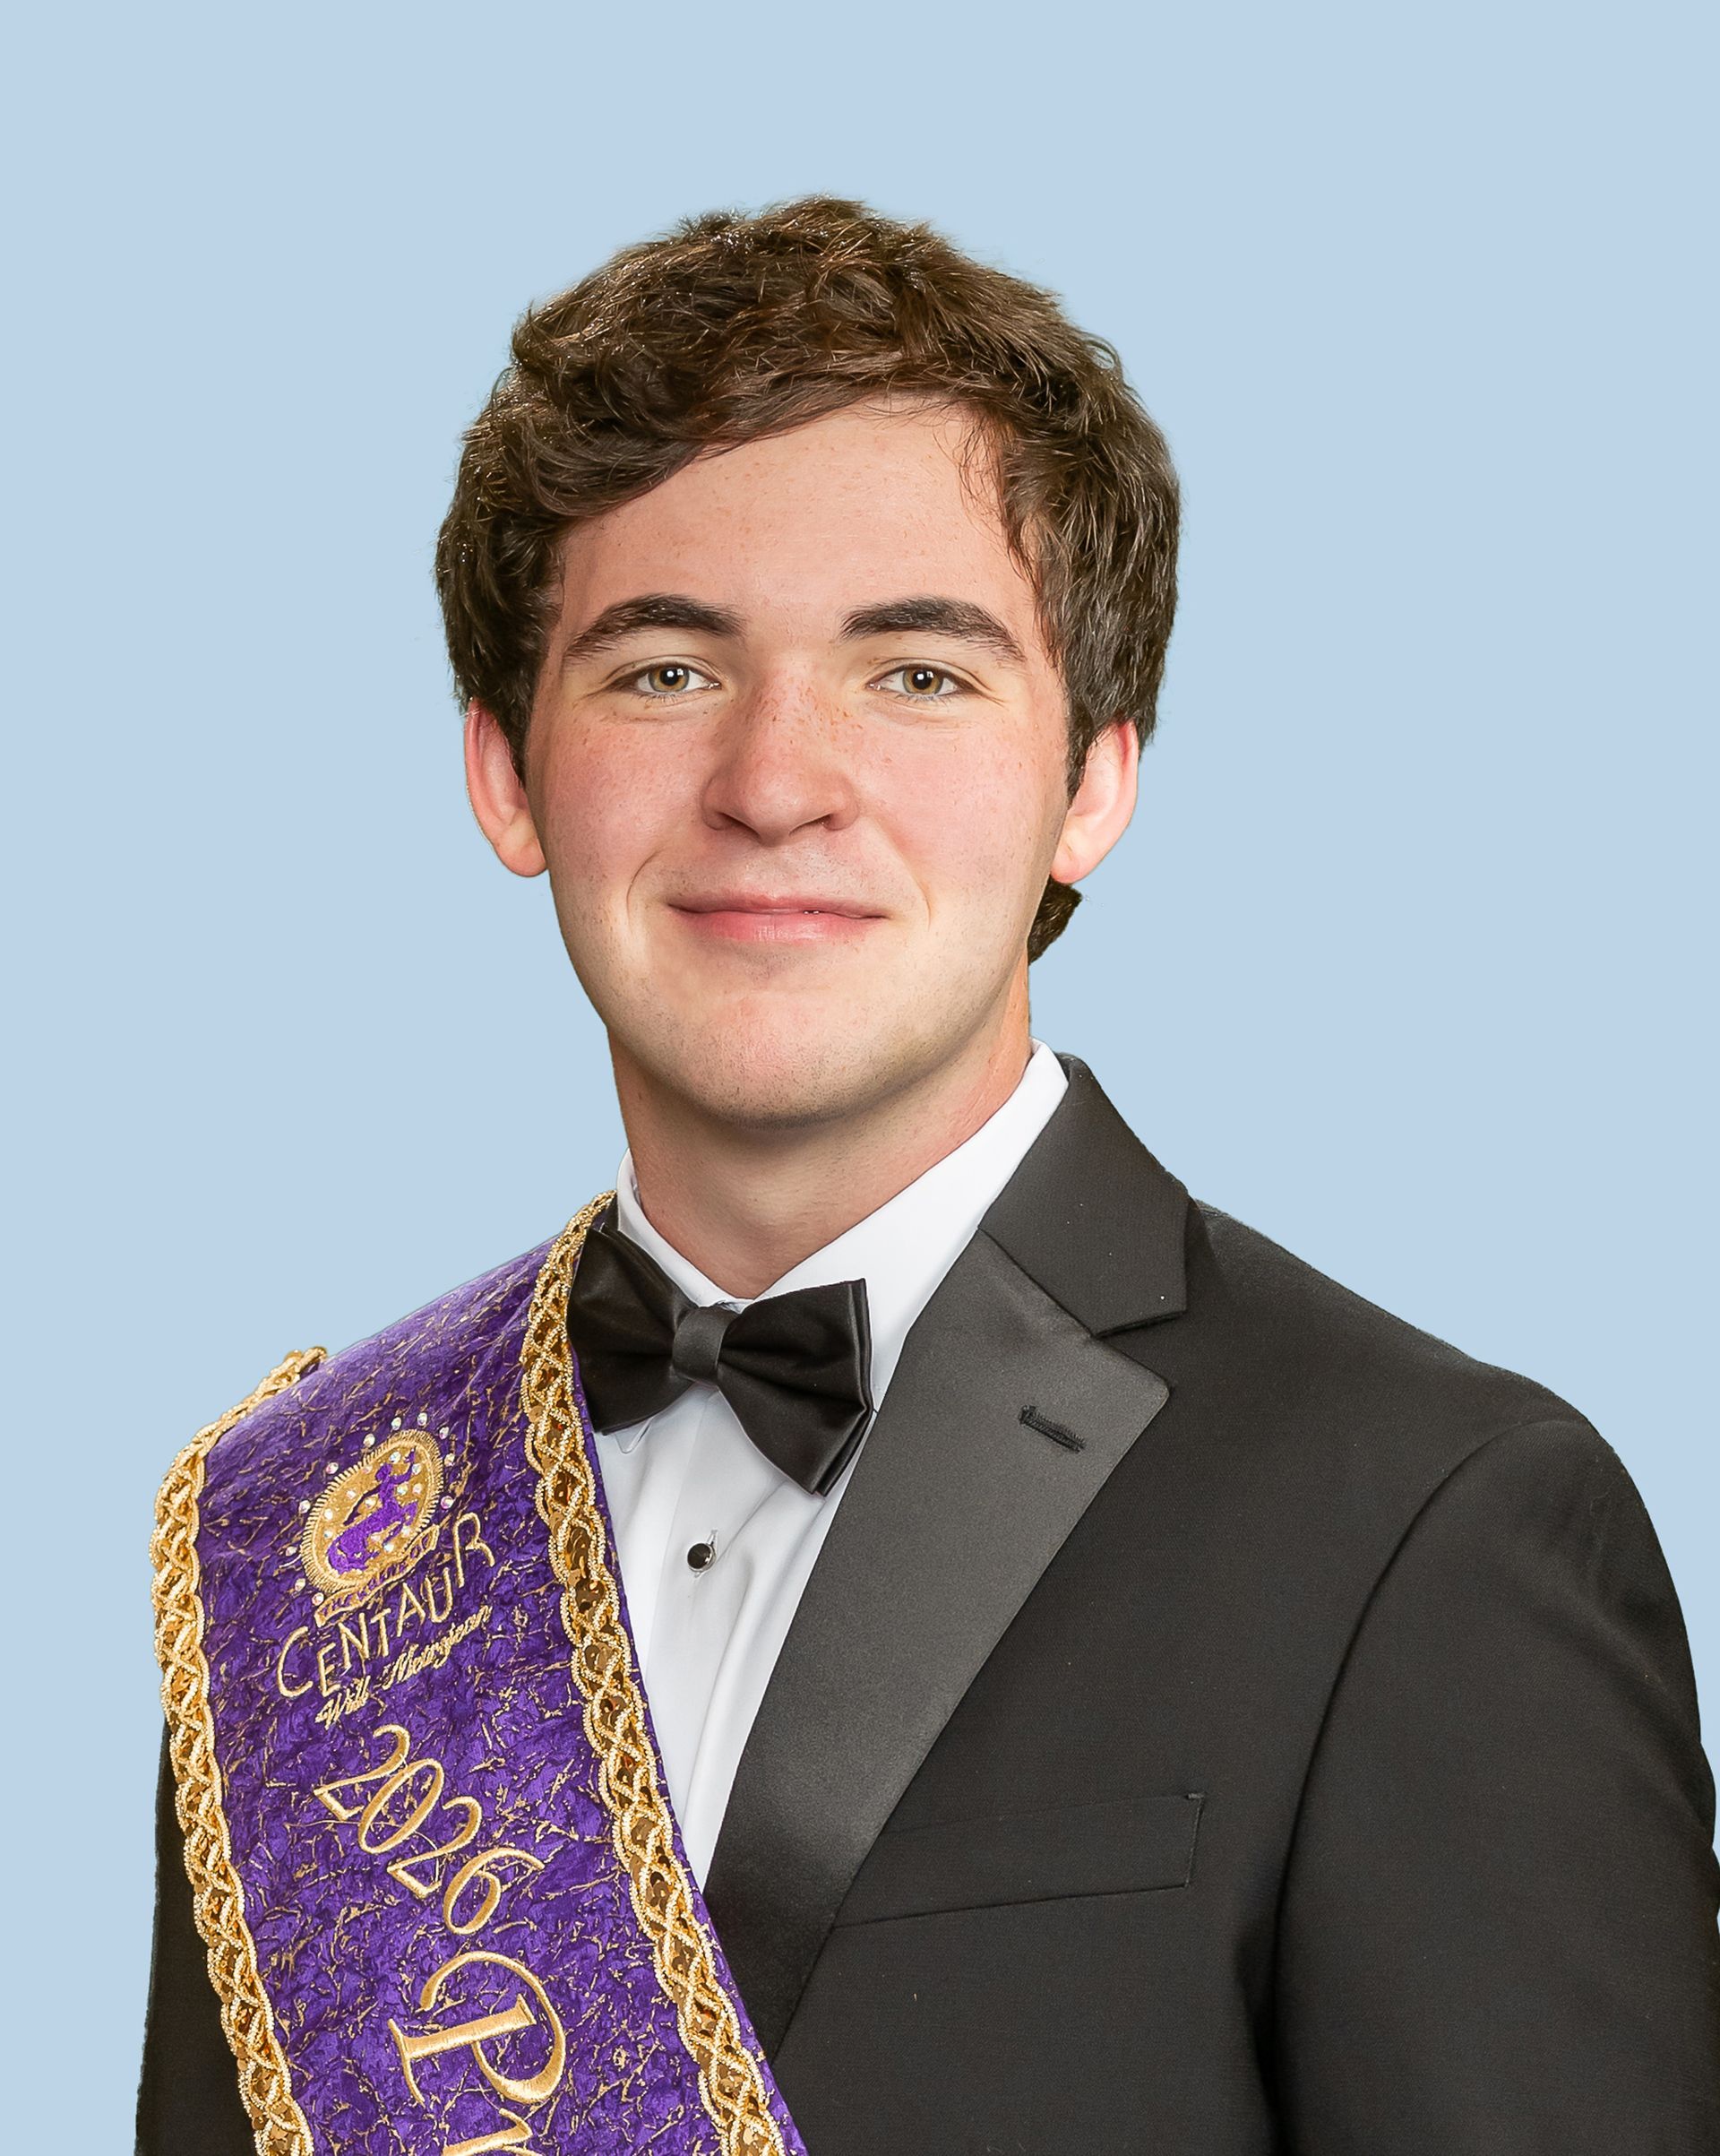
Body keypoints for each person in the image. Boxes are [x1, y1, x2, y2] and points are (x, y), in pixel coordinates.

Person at [139, 197, 1720, 2155]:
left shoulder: (1431, 1524)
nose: (778, 780)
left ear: (1096, 782)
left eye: (919, 674)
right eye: (660, 671)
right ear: (503, 772)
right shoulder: (317, 1551)